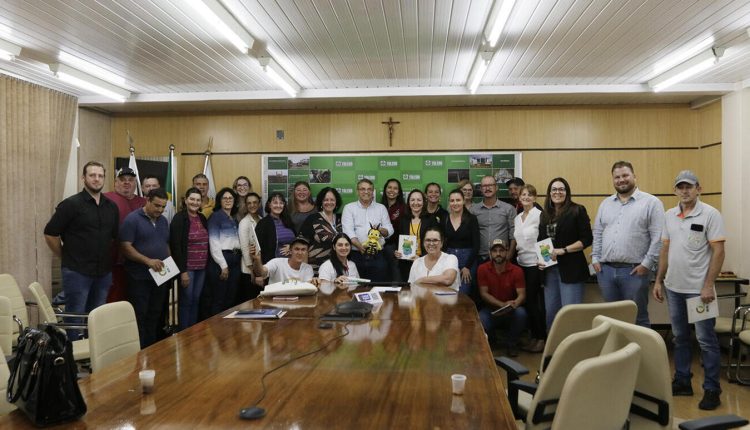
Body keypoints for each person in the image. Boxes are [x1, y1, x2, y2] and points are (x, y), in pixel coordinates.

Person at [653, 170, 725, 411]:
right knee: (680, 338)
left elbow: (719, 251)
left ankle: (712, 389)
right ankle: (682, 381)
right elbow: (665, 250)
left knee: (706, 340)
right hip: (674, 288)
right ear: (675, 190)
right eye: (680, 187)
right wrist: (658, 280)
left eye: (689, 187)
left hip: (699, 292)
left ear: (698, 189)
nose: (685, 191)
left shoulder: (710, 214)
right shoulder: (669, 215)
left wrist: (707, 285)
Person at [44, 161, 119, 340]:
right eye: (92, 175)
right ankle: (72, 359)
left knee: (96, 317)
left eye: (100, 176)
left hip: (103, 272)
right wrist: (65, 256)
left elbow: (113, 237)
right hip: (77, 272)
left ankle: (92, 356)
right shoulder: (70, 205)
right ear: (83, 178)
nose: (96, 179)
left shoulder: (111, 207)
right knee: (75, 317)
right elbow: (50, 234)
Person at [592, 161, 664, 327]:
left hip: (635, 272)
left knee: (638, 318)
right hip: (606, 272)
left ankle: (640, 353)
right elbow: (598, 232)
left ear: (634, 177)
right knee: (612, 318)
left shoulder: (651, 203)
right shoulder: (606, 204)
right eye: (617, 177)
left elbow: (658, 237)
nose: (621, 180)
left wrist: (646, 264)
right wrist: (595, 258)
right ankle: (617, 352)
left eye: (625, 175)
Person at [537, 177, 593, 331]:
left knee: (570, 315)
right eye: (554, 189)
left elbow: (587, 239)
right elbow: (542, 241)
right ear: (549, 193)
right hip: (550, 271)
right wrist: (542, 259)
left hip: (571, 270)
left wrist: (564, 250)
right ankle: (554, 352)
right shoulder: (545, 215)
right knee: (551, 314)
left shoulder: (577, 210)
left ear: (567, 192)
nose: (557, 192)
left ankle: (572, 352)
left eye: (561, 189)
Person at [119, 188, 170, 348]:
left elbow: (164, 244)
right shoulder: (132, 220)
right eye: (157, 206)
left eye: (163, 207)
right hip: (139, 277)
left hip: (160, 276)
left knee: (155, 313)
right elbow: (125, 247)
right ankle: (139, 351)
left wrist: (169, 263)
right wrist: (147, 261)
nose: (160, 210)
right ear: (147, 200)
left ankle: (151, 348)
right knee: (140, 314)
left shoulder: (163, 221)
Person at [477, 238, 527, 357]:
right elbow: (483, 293)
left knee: (522, 314)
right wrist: (501, 305)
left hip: (511, 309)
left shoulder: (517, 270)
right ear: (490, 253)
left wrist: (515, 303)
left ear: (507, 252)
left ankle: (512, 343)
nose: (498, 254)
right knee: (481, 319)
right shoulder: (482, 269)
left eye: (501, 250)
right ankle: (492, 340)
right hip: (491, 310)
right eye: (495, 251)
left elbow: (522, 294)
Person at [104, 167, 147, 303]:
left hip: (139, 262)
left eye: (130, 180)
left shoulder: (144, 202)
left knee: (136, 300)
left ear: (135, 183)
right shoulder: (105, 199)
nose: (126, 183)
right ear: (115, 182)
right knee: (113, 300)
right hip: (113, 262)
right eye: (122, 180)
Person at [169, 187, 208, 331]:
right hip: (188, 268)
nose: (195, 202)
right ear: (185, 200)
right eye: (192, 199)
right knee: (186, 300)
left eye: (198, 200)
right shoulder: (179, 218)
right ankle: (184, 332)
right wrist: (182, 271)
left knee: (196, 299)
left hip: (202, 267)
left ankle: (193, 330)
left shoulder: (202, 218)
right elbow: (176, 246)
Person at [341, 178, 394, 282]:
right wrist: (361, 247)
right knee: (355, 287)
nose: (366, 191)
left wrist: (381, 230)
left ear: (372, 191)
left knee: (378, 286)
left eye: (369, 189)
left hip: (378, 255)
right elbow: (348, 232)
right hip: (356, 254)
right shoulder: (349, 208)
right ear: (357, 191)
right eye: (362, 189)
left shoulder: (381, 208)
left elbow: (390, 229)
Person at [513, 184, 545, 352]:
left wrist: (544, 262)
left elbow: (546, 239)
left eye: (529, 195)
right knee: (527, 303)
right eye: (523, 194)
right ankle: (533, 337)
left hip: (535, 264)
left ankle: (541, 338)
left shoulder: (540, 215)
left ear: (534, 198)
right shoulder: (517, 218)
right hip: (521, 264)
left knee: (535, 303)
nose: (525, 197)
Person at [206, 187, 241, 316]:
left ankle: (227, 331)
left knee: (230, 298)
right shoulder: (215, 217)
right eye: (224, 198)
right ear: (219, 201)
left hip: (235, 259)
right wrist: (223, 265)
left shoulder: (233, 218)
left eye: (230, 198)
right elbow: (213, 243)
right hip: (221, 260)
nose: (227, 200)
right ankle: (217, 331)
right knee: (219, 299)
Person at [438, 189, 479, 296]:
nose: (455, 203)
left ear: (463, 201)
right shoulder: (445, 219)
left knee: (463, 294)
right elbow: (442, 243)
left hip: (468, 260)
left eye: (458, 200)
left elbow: (476, 245)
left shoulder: (472, 219)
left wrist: (467, 267)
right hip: (449, 259)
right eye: (452, 201)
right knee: (449, 292)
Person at [471, 175, 517, 264]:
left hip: (502, 257)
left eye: (490, 185)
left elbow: (513, 233)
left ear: (496, 187)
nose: (487, 188)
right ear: (481, 189)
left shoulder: (509, 209)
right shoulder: (473, 210)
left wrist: (510, 254)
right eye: (484, 186)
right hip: (480, 258)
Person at [395, 189, 436, 281]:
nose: (415, 203)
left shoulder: (431, 219)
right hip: (406, 262)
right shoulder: (403, 220)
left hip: (425, 261)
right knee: (407, 292)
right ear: (408, 202)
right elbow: (398, 241)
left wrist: (421, 258)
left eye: (419, 200)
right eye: (412, 200)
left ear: (423, 202)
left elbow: (435, 242)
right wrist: (397, 252)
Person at [299, 187, 343, 270]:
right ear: (321, 202)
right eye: (326, 200)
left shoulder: (342, 218)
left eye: (332, 200)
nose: (329, 202)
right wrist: (304, 269)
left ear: (336, 202)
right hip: (316, 267)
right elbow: (302, 243)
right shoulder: (313, 219)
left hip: (338, 267)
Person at [252, 236, 317, 284]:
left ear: (307, 252)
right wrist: (257, 259)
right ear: (290, 251)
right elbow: (261, 272)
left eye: (303, 250)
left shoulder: (308, 268)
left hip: (297, 301)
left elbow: (307, 289)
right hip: (274, 300)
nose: (300, 253)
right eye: (297, 249)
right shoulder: (277, 262)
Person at [255, 192, 296, 264]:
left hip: (292, 263)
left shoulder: (288, 220)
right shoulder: (263, 223)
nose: (278, 205)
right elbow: (259, 249)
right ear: (269, 205)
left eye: (281, 203)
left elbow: (297, 239)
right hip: (273, 264)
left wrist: (291, 247)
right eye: (275, 203)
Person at [238, 192, 263, 302]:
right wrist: (252, 270)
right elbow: (244, 248)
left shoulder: (261, 219)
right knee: (251, 303)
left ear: (259, 203)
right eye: (249, 203)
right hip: (249, 271)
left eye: (255, 202)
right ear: (246, 205)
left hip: (259, 267)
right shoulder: (244, 222)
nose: (252, 205)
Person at [381, 178, 406, 281]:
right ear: (385, 189)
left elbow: (405, 230)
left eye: (395, 188)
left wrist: (401, 248)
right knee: (382, 277)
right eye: (389, 187)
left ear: (399, 192)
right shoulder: (379, 206)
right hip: (379, 248)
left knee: (395, 278)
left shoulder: (404, 208)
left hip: (395, 248)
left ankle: (396, 297)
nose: (392, 190)